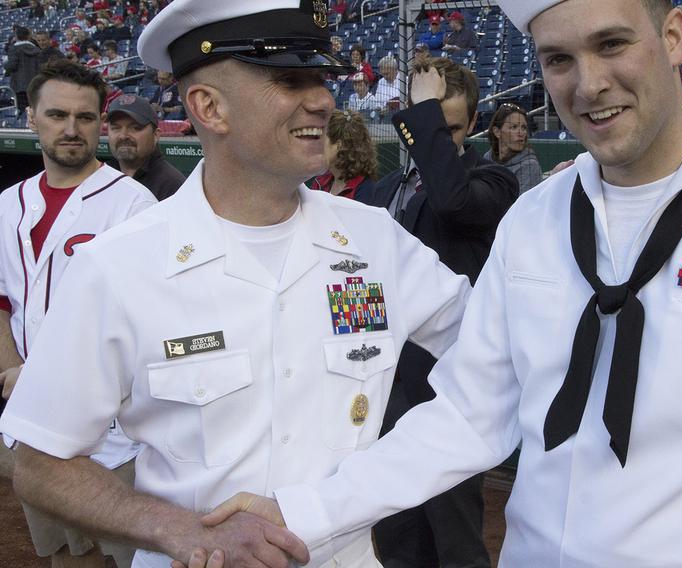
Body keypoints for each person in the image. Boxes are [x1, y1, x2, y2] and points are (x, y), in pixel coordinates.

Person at [198, 2, 682, 567]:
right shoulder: (534, 220)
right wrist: (303, 512)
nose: (588, 83)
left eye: (611, 44)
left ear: (673, 37)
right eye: (558, 59)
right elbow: (469, 416)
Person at [0, 2, 474, 568]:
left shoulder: (376, 243)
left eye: (321, 78)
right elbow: (39, 460)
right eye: (290, 79)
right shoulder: (117, 266)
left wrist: (354, 495)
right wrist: (178, 530)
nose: (323, 99)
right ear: (208, 107)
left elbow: (491, 369)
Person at [357, 56, 517, 568]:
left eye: (449, 127)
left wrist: (420, 113)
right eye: (431, 125)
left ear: (472, 126)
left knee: (456, 542)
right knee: (398, 538)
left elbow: (450, 201)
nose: (441, 138)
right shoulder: (381, 193)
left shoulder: (493, 182)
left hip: (452, 390)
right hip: (386, 388)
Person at [0, 58, 155, 568]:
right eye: (57, 115)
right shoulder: (8, 204)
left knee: (123, 556)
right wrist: (11, 371)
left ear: (100, 123)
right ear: (31, 119)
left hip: (112, 428)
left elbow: (143, 318)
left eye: (86, 118)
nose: (71, 129)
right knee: (64, 554)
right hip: (33, 418)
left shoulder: (133, 204)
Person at [106, 94, 186, 200]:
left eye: (135, 128)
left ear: (156, 135)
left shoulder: (173, 186)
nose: (123, 136)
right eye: (116, 128)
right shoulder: (101, 178)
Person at [310, 109, 377, 200]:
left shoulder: (365, 190)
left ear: (339, 145)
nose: (314, 146)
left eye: (320, 140)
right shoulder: (319, 182)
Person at [484, 102, 542, 194]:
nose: (521, 133)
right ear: (497, 132)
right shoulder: (487, 158)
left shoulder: (530, 165)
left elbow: (524, 206)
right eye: (514, 127)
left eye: (523, 128)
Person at [4, 26, 40, 115]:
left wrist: (5, 65)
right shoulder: (37, 49)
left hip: (19, 85)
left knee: (23, 111)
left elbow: (11, 65)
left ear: (16, 36)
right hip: (34, 84)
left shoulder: (14, 49)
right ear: (29, 36)